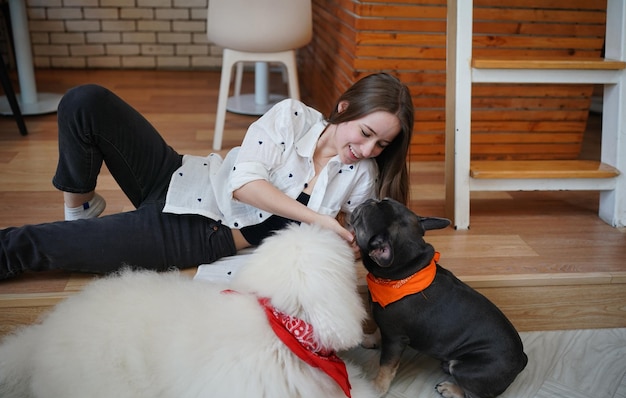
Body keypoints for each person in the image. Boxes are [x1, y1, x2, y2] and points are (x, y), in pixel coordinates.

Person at [0, 72, 414, 280]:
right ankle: (81, 210)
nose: (368, 150)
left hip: (196, 233)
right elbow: (243, 184)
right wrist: (319, 219)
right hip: (183, 173)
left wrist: (355, 246)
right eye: (366, 133)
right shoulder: (292, 117)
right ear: (344, 108)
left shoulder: (362, 174)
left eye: (382, 144)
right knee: (84, 101)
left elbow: (363, 231)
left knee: (28, 246)